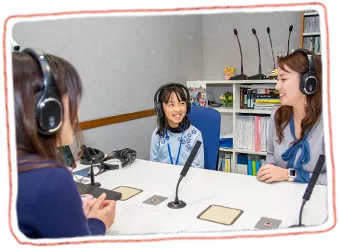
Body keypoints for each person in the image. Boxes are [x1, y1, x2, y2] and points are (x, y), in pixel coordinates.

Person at [13, 48, 116, 239]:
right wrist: (97, 223)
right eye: (73, 102)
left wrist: (66, 216)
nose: (77, 113)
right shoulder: (50, 179)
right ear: (49, 111)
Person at [257, 49, 326, 185]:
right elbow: (271, 155)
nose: (277, 86)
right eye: (278, 80)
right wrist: (269, 173)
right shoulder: (278, 115)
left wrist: (288, 174)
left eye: (283, 79)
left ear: (308, 83)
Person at [150, 83, 204, 168]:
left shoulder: (195, 135)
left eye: (182, 103)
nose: (178, 109)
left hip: (187, 179)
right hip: (162, 179)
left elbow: (197, 170)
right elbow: (153, 165)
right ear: (160, 109)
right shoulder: (157, 134)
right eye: (171, 105)